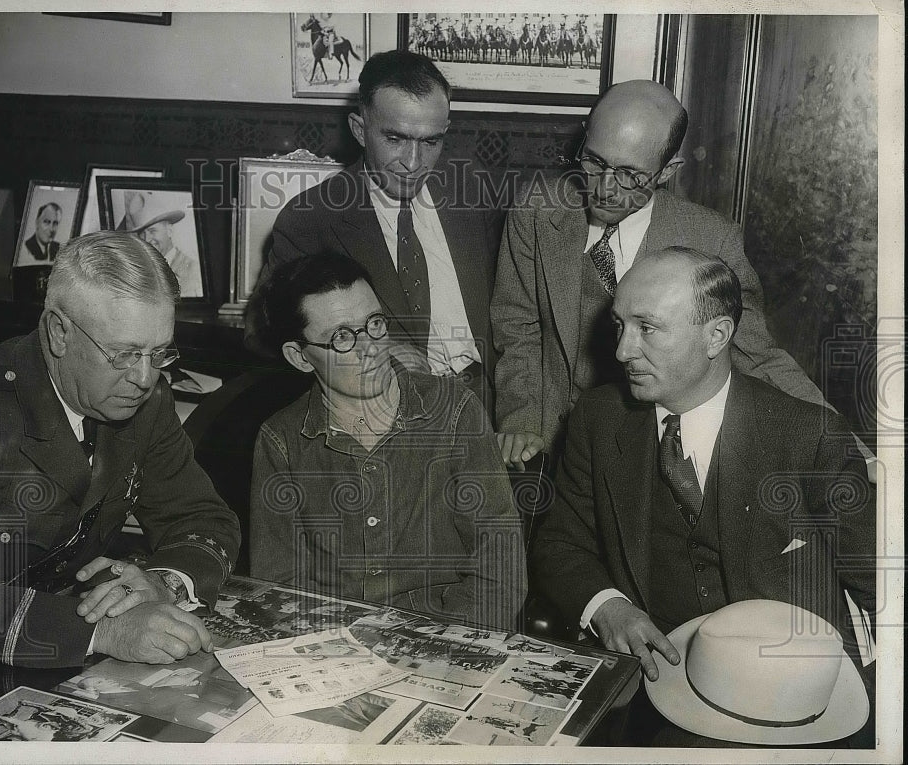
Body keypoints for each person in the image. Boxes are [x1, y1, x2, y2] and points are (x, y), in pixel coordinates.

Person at [530, 248, 874, 738]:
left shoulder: (809, 436)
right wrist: (607, 606)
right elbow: (560, 542)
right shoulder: (598, 418)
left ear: (717, 335)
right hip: (655, 687)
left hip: (785, 708)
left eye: (647, 328)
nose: (623, 350)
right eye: (619, 325)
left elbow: (883, 582)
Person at [0, 231, 241, 668]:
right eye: (124, 353)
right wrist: (100, 631)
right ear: (59, 332)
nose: (145, 378)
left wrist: (162, 583)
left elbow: (203, 518)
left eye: (158, 353)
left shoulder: (144, 401)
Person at [492, 79, 829, 469]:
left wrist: (840, 442)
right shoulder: (537, 211)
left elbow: (757, 356)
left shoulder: (712, 240)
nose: (604, 189)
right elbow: (517, 325)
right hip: (551, 444)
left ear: (668, 170)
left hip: (650, 456)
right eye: (594, 162)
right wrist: (520, 421)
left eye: (630, 175)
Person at [247, 252, 526, 631]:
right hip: (334, 639)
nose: (372, 348)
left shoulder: (454, 410)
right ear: (300, 357)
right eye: (342, 336)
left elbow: (500, 566)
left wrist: (447, 642)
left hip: (448, 631)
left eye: (375, 323)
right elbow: (280, 586)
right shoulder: (280, 440)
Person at [255, 50, 504, 411]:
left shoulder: (471, 188)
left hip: (490, 402)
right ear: (360, 130)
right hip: (388, 413)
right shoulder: (311, 218)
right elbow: (263, 333)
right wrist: (371, 350)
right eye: (395, 139)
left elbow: (516, 313)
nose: (414, 163)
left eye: (430, 142)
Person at [124, 194, 204, 298]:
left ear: (169, 231)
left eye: (152, 231)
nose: (146, 239)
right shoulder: (136, 273)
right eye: (142, 234)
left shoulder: (195, 271)